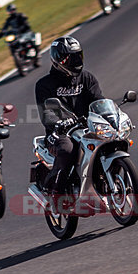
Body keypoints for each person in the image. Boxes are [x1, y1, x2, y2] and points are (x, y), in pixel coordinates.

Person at [34, 36, 103, 210]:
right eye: (70, 58)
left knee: (108, 139)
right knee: (67, 151)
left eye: (78, 56)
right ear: (58, 60)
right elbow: (48, 113)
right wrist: (60, 121)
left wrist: (109, 112)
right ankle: (54, 193)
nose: (75, 61)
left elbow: (99, 100)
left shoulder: (87, 78)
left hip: (86, 126)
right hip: (59, 131)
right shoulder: (44, 85)